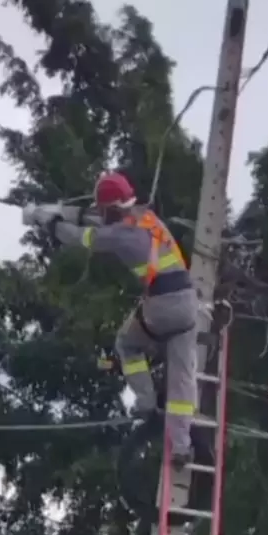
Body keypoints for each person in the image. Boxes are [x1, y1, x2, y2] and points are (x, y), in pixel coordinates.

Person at [22, 172, 198, 469]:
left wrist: (45, 221)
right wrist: (59, 209)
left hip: (161, 306)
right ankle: (182, 446)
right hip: (188, 304)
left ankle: (146, 403)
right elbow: (94, 218)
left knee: (128, 344)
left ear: (112, 209)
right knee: (182, 378)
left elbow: (81, 237)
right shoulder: (147, 218)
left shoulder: (121, 234)